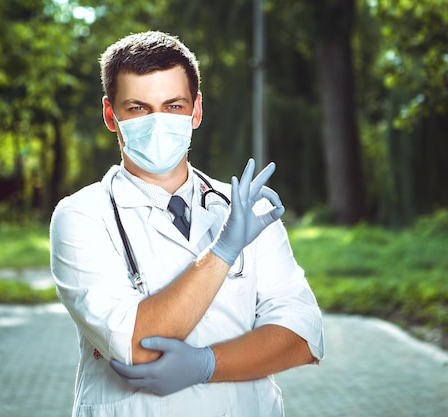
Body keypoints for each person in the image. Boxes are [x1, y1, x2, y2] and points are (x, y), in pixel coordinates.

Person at [50, 30, 324, 416]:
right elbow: (138, 346)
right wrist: (225, 249)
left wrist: (206, 365)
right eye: (138, 108)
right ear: (111, 116)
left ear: (196, 111)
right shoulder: (82, 216)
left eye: (173, 106)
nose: (158, 122)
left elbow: (304, 337)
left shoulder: (242, 209)